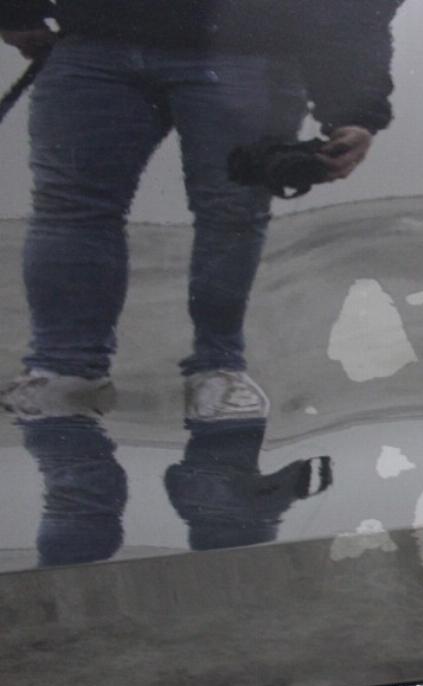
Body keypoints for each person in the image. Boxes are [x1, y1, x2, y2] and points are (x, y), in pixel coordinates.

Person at [0, 0, 402, 420]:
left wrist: (356, 108)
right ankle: (75, 371)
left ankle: (209, 367)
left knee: (223, 212)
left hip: (237, 49)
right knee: (82, 211)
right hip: (105, 43)